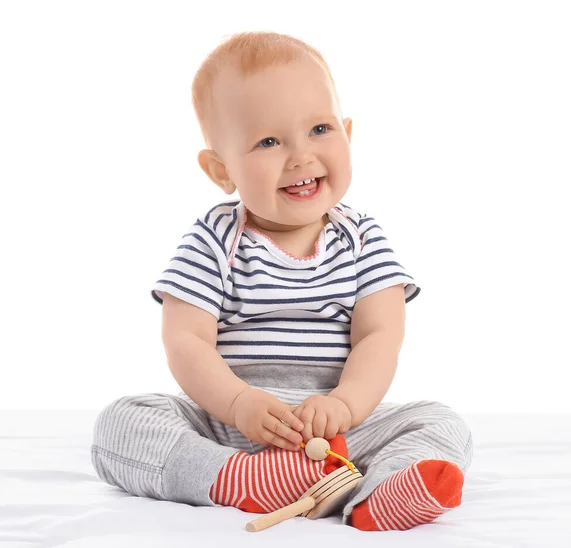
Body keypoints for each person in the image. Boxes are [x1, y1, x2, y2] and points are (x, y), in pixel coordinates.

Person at [91, 31, 473, 531]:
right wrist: (237, 403)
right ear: (220, 170)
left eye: (319, 129)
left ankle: (380, 492)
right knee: (121, 421)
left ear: (348, 133)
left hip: (339, 426)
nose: (301, 156)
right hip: (230, 423)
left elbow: (380, 335)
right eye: (268, 141)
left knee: (442, 422)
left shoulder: (361, 239)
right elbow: (185, 339)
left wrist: (346, 404)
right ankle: (237, 478)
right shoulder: (214, 239)